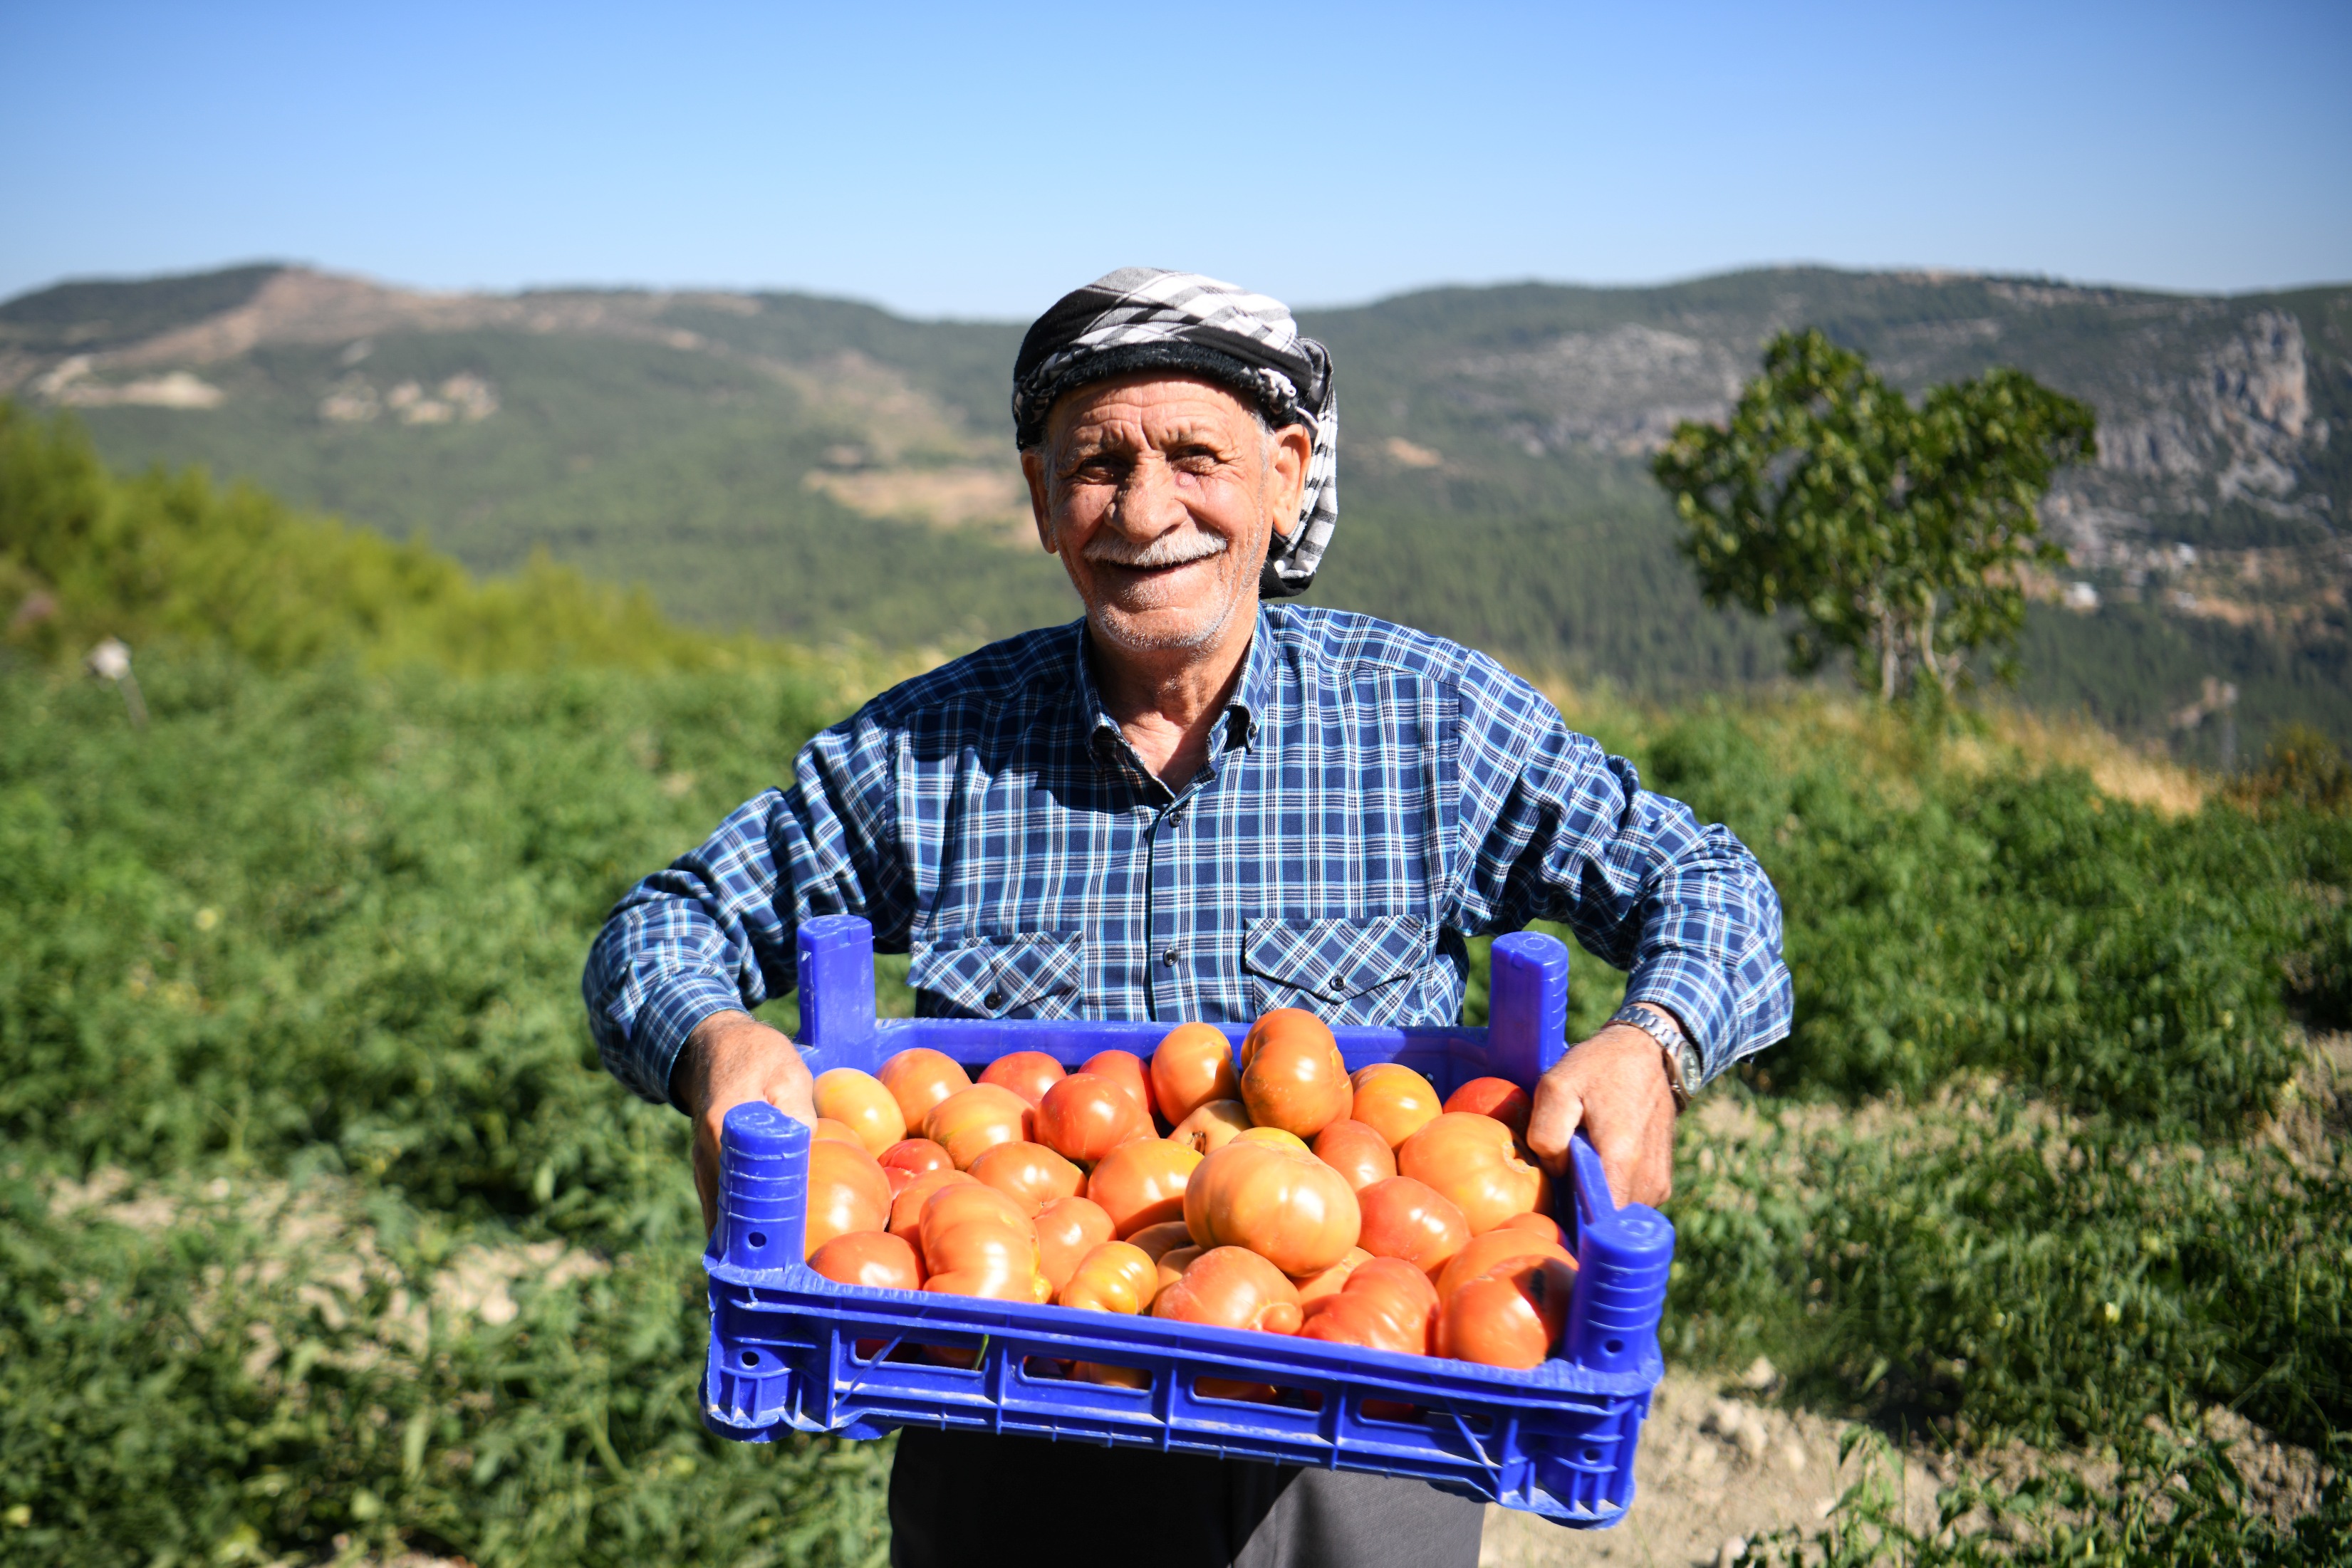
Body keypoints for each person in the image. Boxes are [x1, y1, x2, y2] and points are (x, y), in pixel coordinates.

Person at [583, 267, 1792, 1567]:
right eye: (1097, 464)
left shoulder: (1431, 725)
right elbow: (661, 925)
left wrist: (1652, 1037)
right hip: (1017, 1433)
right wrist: (713, 1037)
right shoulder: (929, 753)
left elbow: (1709, 881)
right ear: (1043, 501)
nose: (1144, 510)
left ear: (1284, 474)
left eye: (1194, 457)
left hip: (1355, 1431)